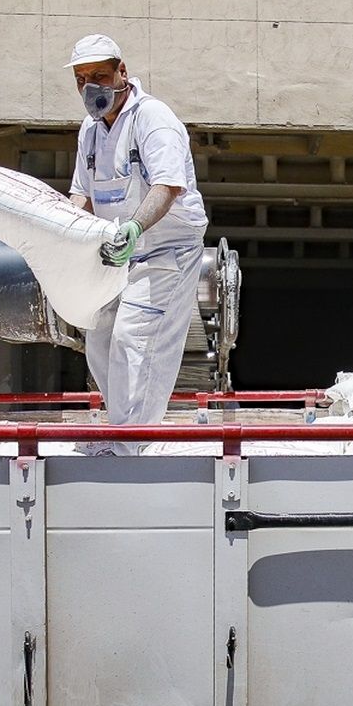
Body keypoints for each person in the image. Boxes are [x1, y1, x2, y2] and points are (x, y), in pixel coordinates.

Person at [65, 34, 208, 453]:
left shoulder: (153, 118)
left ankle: (135, 443)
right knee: (101, 335)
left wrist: (134, 227)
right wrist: (67, 235)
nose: (91, 86)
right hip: (116, 251)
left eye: (100, 76)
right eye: (81, 79)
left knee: (136, 337)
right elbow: (81, 195)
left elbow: (167, 185)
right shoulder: (89, 132)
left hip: (166, 249)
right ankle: (122, 427)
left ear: (122, 73)